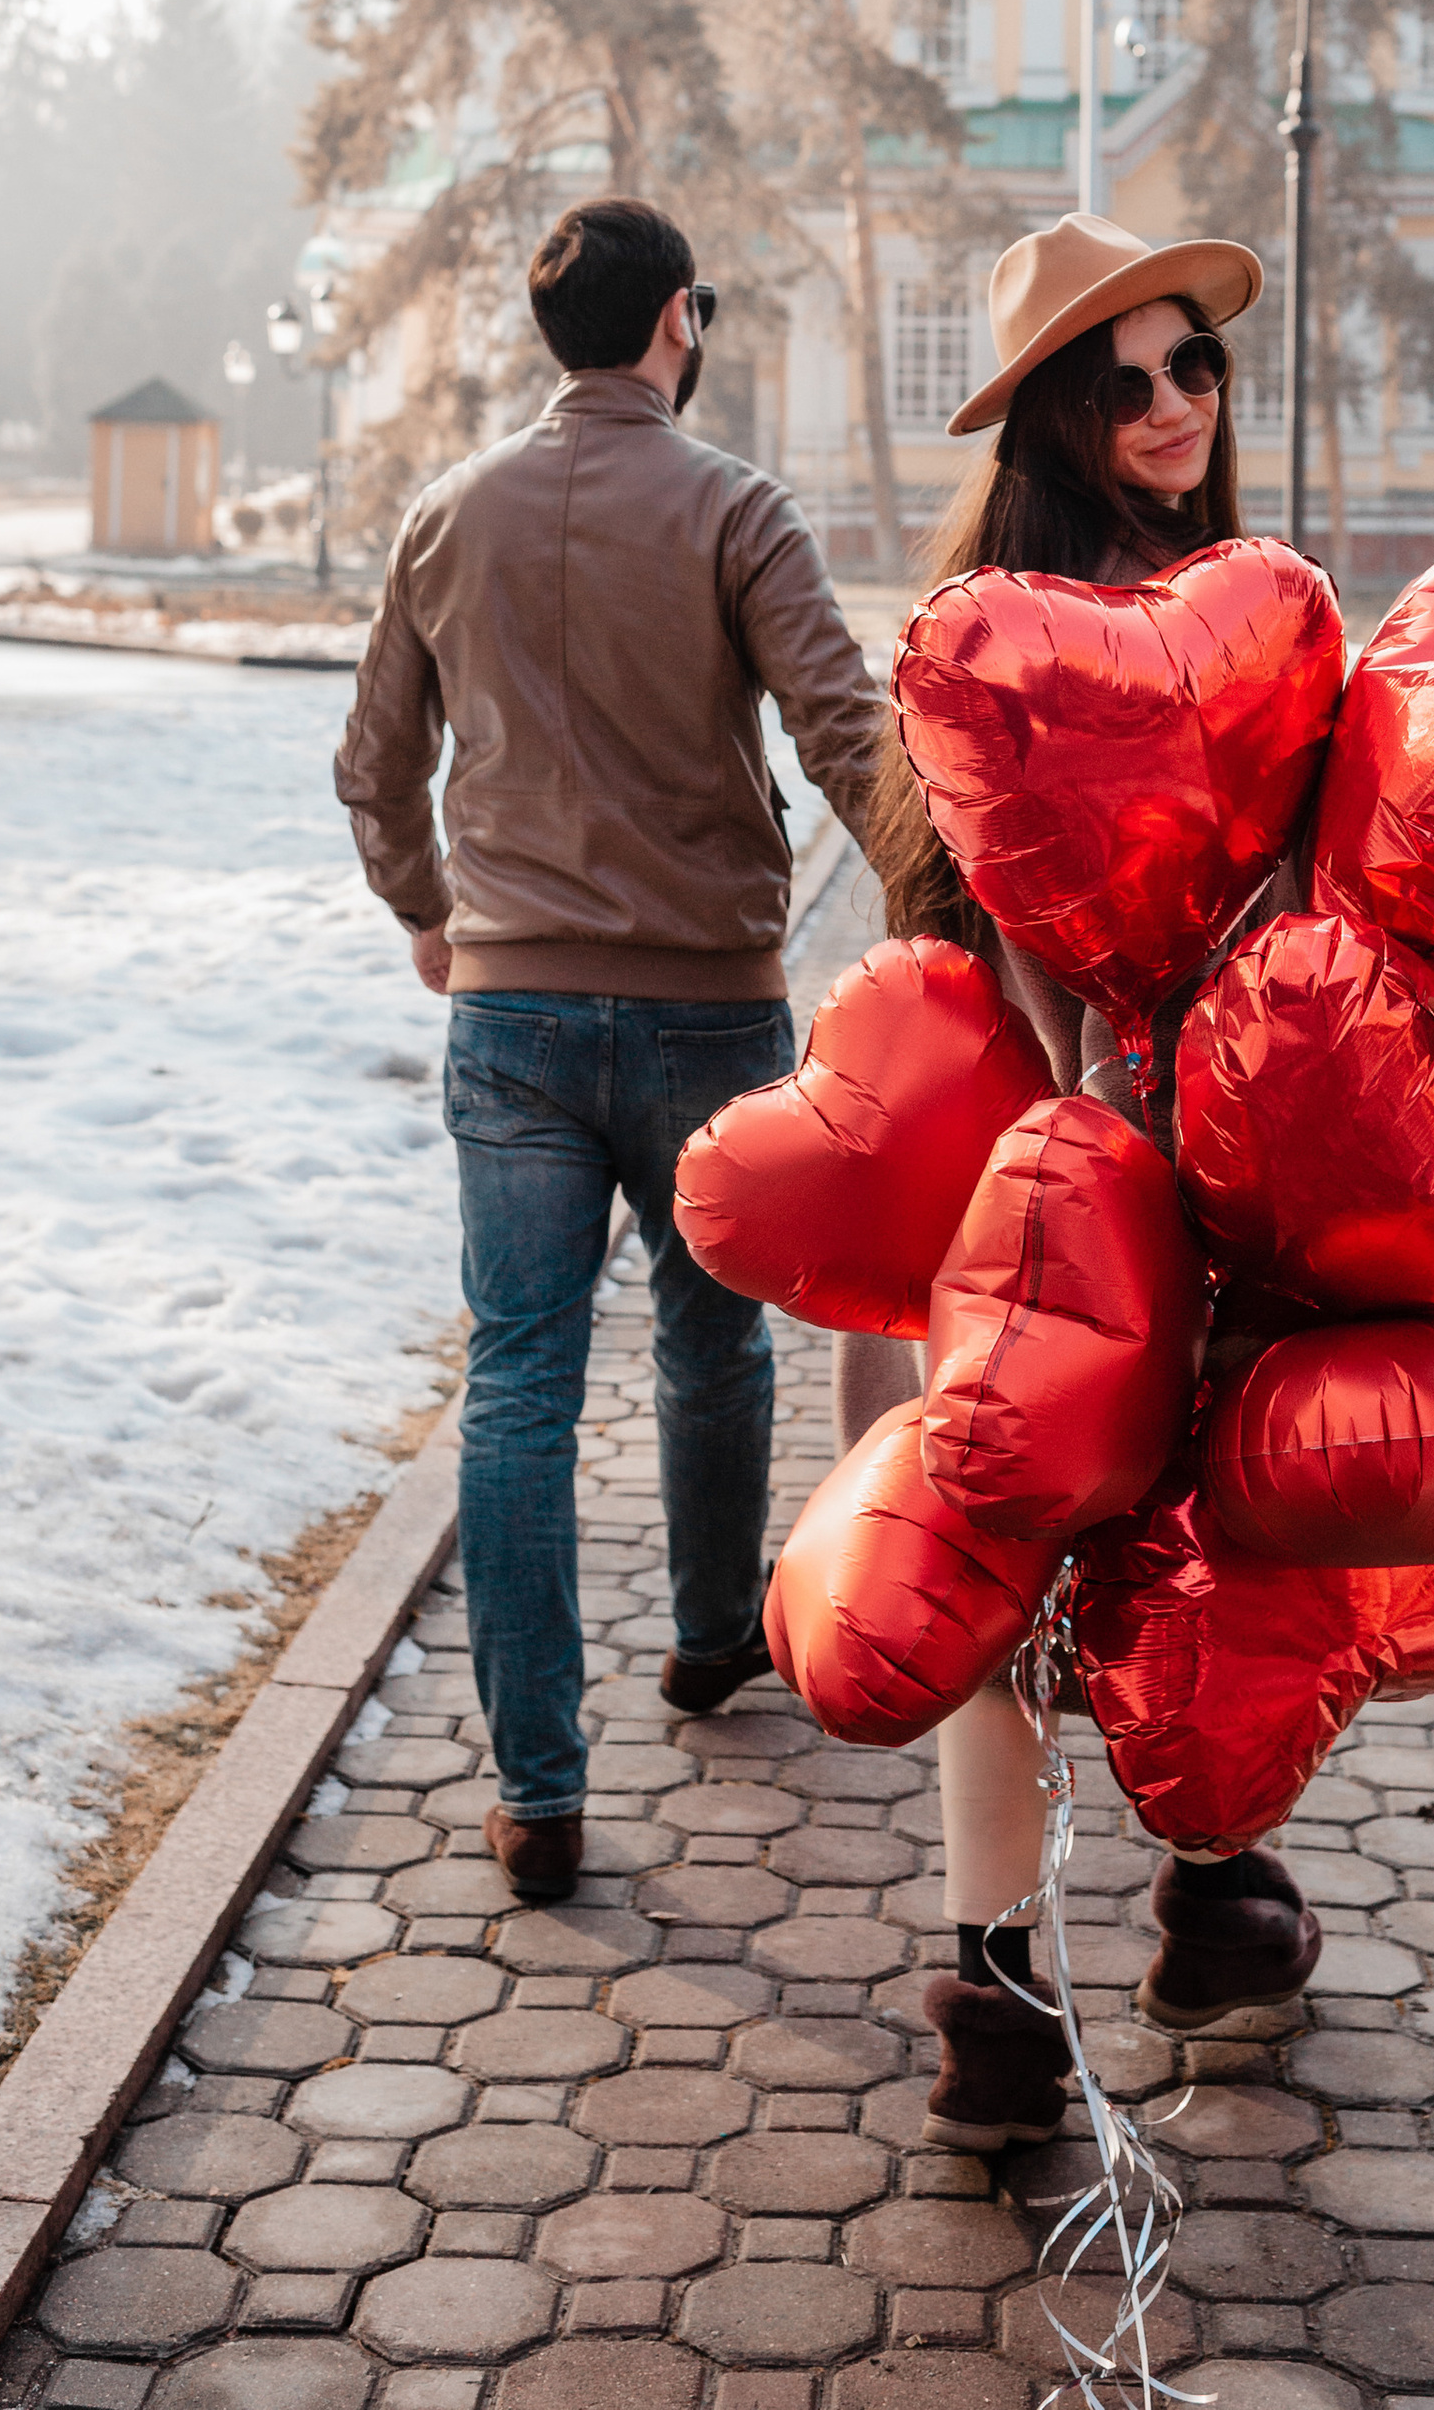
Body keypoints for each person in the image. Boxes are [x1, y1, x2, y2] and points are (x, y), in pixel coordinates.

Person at [336, 197, 886, 1911]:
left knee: (518, 1385)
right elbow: (846, 730)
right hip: (713, 1004)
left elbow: (373, 762)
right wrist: (954, 910)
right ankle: (717, 1633)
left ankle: (537, 1789)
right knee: (715, 1342)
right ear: (677, 327)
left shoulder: (447, 514)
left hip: (508, 1015)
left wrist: (432, 912)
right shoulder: (737, 510)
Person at [853, 208, 1324, 2152]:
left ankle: (1190, 1908)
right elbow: (993, 925)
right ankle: (1008, 1985)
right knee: (1010, 1571)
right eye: (1119, 376)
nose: (1167, 404)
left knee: (1200, 1546)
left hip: (1206, 1139)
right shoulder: (1000, 626)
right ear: (1052, 407)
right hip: (1049, 1158)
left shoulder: (1257, 607)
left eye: (1190, 366)